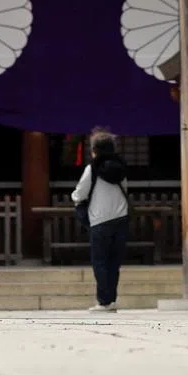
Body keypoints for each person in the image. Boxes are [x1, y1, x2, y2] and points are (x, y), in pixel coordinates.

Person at [71, 129, 129, 313]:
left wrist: (76, 200)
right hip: (121, 218)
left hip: (100, 220)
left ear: (95, 150)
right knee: (114, 261)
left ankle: (103, 301)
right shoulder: (121, 168)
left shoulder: (92, 169)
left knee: (100, 261)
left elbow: (80, 194)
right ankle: (111, 299)